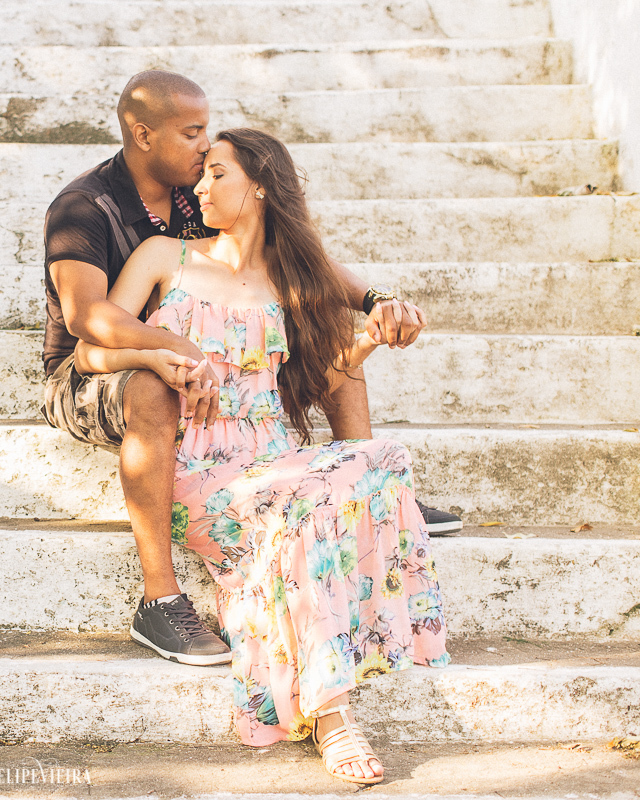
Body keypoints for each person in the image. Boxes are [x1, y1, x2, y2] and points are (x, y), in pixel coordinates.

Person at [42, 70, 460, 669]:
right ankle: (160, 598)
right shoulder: (86, 206)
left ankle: (361, 487)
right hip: (92, 373)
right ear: (142, 134)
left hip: (204, 381)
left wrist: (373, 302)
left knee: (334, 356)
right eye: (191, 135)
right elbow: (87, 321)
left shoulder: (195, 192)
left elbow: (288, 251)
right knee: (153, 387)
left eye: (208, 140)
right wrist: (180, 350)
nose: (203, 148)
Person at [72, 126, 450, 784]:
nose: (200, 185)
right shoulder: (166, 256)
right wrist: (155, 354)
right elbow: (90, 350)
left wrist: (377, 330)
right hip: (197, 469)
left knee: (378, 460)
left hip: (275, 459)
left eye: (217, 173)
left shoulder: (292, 277)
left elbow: (321, 378)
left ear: (261, 187)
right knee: (325, 499)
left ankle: (307, 656)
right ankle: (334, 715)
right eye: (203, 173)